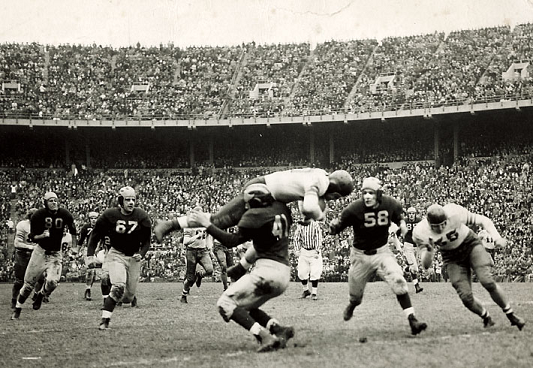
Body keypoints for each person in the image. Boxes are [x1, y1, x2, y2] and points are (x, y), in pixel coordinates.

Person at [154, 168, 354, 276]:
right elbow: (310, 207)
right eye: (335, 197)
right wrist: (320, 217)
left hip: (274, 199)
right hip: (262, 190)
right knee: (219, 221)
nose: (331, 200)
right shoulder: (320, 182)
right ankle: (170, 224)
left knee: (272, 236)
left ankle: (241, 267)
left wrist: (310, 215)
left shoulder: (320, 176)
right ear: (335, 189)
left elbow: (304, 206)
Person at [189, 188, 296, 353]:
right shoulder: (281, 209)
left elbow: (231, 241)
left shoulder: (255, 215)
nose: (245, 207)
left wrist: (207, 224)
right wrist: (242, 266)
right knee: (245, 305)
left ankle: (263, 336)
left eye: (247, 203)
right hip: (283, 273)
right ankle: (278, 329)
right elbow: (260, 243)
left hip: (266, 272)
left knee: (225, 303)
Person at [328, 177, 427, 336]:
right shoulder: (355, 208)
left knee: (399, 281)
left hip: (382, 253)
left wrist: (402, 225)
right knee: (356, 296)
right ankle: (352, 305)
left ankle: (412, 320)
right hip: (360, 256)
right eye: (364, 193)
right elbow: (338, 226)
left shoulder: (389, 204)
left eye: (371, 193)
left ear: (379, 194)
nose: (367, 196)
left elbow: (399, 217)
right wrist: (333, 228)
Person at [413, 203, 526, 330]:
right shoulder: (420, 231)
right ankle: (486, 317)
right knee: (466, 297)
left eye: (443, 224)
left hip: (470, 244)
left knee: (487, 281)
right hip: (451, 257)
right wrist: (429, 251)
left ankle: (511, 315)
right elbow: (426, 265)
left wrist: (497, 237)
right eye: (436, 226)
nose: (440, 228)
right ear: (429, 224)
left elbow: (483, 220)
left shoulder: (454, 212)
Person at [86, 186, 151, 330]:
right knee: (118, 286)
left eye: (133, 199)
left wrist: (142, 253)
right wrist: (90, 255)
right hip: (116, 254)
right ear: (121, 201)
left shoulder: (141, 215)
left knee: (128, 297)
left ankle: (123, 297)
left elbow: (147, 240)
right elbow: (95, 234)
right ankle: (105, 320)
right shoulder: (110, 215)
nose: (131, 202)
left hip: (134, 257)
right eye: (127, 199)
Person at [12, 192, 77, 320]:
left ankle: (41, 295)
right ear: (45, 203)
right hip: (40, 252)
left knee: (53, 282)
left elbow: (73, 231)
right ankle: (17, 308)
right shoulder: (38, 215)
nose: (54, 203)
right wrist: (42, 236)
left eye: (56, 200)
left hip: (55, 253)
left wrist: (74, 246)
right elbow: (33, 237)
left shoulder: (64, 214)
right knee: (28, 285)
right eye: (51, 200)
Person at [11, 208, 45, 310]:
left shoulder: (42, 226)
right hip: (23, 254)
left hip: (36, 254)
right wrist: (30, 247)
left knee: (42, 278)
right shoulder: (22, 225)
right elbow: (17, 243)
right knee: (19, 281)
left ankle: (35, 295)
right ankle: (14, 299)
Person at [179, 206, 214, 304]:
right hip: (191, 251)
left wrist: (210, 248)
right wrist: (196, 236)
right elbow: (186, 241)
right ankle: (184, 295)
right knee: (190, 278)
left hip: (203, 251)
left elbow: (208, 237)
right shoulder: (189, 225)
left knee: (210, 270)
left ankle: (200, 275)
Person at [293, 217, 324, 300]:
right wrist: (297, 250)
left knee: (315, 272)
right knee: (302, 272)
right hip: (304, 250)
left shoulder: (315, 225)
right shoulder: (300, 225)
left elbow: (318, 238)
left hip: (313, 250)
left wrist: (317, 250)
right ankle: (306, 290)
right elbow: (296, 238)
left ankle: (314, 293)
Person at [402, 207, 424, 293]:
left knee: (415, 267)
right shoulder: (404, 221)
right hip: (408, 245)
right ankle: (417, 286)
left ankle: (406, 268)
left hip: (417, 246)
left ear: (415, 214)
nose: (411, 215)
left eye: (413, 213)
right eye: (410, 213)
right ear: (408, 214)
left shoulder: (419, 221)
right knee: (415, 268)